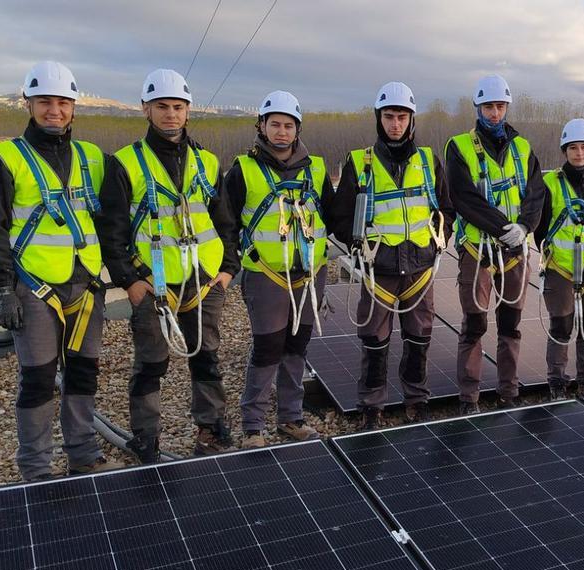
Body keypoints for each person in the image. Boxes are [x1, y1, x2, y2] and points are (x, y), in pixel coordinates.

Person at [0, 61, 121, 480]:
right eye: (44, 102)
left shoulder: (93, 158)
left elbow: (112, 221)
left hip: (85, 285)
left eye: (62, 103)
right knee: (38, 378)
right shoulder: (5, 158)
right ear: (28, 104)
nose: (54, 110)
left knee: (83, 371)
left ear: (73, 107)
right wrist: (2, 288)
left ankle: (83, 453)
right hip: (33, 287)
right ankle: (36, 466)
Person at [97, 69, 240, 461]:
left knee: (206, 356)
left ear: (188, 111)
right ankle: (146, 437)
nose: (171, 114)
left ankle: (211, 428)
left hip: (204, 281)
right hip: (152, 285)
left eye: (178, 107)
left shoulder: (206, 162)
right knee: (151, 363)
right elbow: (112, 231)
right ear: (146, 109)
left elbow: (225, 221)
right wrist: (129, 281)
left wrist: (228, 270)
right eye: (162, 106)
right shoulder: (125, 163)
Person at [328, 82, 454, 430]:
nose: (395, 124)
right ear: (379, 118)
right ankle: (372, 407)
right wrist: (357, 245)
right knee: (374, 339)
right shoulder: (360, 163)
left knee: (419, 336)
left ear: (411, 120)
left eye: (401, 117)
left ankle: (416, 400)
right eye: (389, 117)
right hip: (378, 269)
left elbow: (446, 208)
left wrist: (439, 240)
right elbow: (340, 216)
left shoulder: (428, 161)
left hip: (420, 269)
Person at [225, 90, 335, 446]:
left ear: (297, 129)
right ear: (262, 125)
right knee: (267, 347)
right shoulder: (244, 170)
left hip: (309, 275)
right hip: (266, 275)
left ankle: (291, 417)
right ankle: (253, 424)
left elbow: (333, 216)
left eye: (288, 125)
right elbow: (226, 224)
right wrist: (226, 266)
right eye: (275, 124)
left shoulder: (316, 169)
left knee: (297, 347)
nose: (281, 132)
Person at [445, 74, 546, 414]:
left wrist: (526, 225)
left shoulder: (523, 148)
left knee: (510, 324)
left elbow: (536, 192)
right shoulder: (458, 147)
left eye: (500, 106)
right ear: (478, 107)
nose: (494, 113)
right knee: (474, 325)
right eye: (488, 106)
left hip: (515, 252)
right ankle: (469, 397)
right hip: (478, 252)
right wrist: (505, 228)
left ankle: (509, 390)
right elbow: (464, 198)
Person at [534, 118, 584, 400]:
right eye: (573, 148)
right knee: (561, 327)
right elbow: (540, 228)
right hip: (561, 268)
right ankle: (557, 382)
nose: (579, 153)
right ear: (564, 150)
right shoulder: (549, 184)